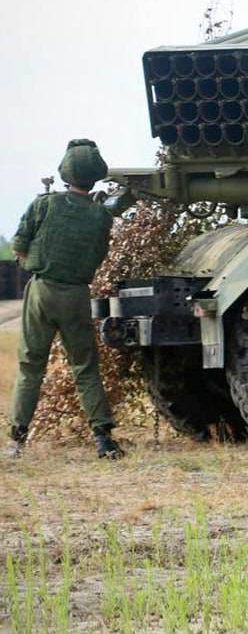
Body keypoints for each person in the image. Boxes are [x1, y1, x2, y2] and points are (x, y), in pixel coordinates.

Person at [4, 139, 123, 459]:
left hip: (42, 291)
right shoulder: (102, 217)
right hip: (76, 295)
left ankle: (16, 440)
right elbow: (98, 257)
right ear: (94, 175)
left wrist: (33, 261)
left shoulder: (44, 204)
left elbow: (19, 246)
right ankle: (103, 440)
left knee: (31, 367)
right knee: (85, 367)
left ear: (64, 172)